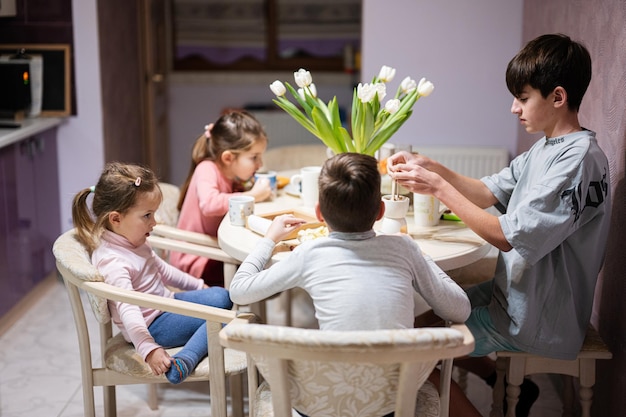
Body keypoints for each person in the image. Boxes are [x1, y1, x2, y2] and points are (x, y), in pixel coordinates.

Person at [388, 33, 612, 416]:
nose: (513, 108)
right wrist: (433, 167)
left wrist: (439, 188)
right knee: (421, 321)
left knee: (409, 353)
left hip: (537, 317)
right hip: (515, 296)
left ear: (558, 97)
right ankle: (504, 384)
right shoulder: (545, 148)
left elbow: (506, 237)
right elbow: (486, 193)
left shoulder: (577, 161)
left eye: (523, 98)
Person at [229, 152, 481, 417]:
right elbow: (460, 310)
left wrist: (268, 239)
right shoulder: (404, 248)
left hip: (321, 406)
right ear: (381, 211)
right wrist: (420, 257)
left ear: (319, 214)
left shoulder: (309, 253)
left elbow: (240, 290)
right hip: (392, 404)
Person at [72, 162, 233, 385]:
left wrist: (198, 287)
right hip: (153, 325)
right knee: (222, 322)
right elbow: (128, 308)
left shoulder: (133, 241)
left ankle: (206, 315)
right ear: (116, 219)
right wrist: (148, 349)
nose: (154, 222)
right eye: (147, 215)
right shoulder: (113, 261)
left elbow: (163, 270)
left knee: (222, 298)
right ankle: (185, 360)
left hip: (166, 302)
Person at [171, 110, 273, 287]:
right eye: (254, 157)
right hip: (197, 259)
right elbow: (209, 204)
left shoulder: (232, 176)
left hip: (215, 250)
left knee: (263, 266)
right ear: (228, 157)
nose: (260, 164)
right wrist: (253, 195)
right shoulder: (207, 168)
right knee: (262, 271)